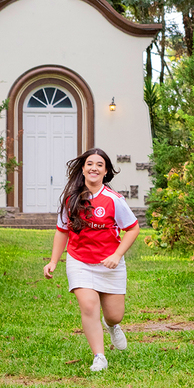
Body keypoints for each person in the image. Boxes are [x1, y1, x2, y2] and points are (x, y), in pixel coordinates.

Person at [43, 148, 140, 372]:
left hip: (110, 263)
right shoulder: (71, 198)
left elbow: (133, 229)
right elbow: (62, 230)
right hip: (79, 261)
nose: (94, 168)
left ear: (106, 171)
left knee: (115, 315)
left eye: (99, 165)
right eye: (89, 164)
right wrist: (54, 261)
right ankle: (99, 357)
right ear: (83, 169)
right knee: (88, 306)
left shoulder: (114, 200)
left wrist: (117, 256)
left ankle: (112, 325)